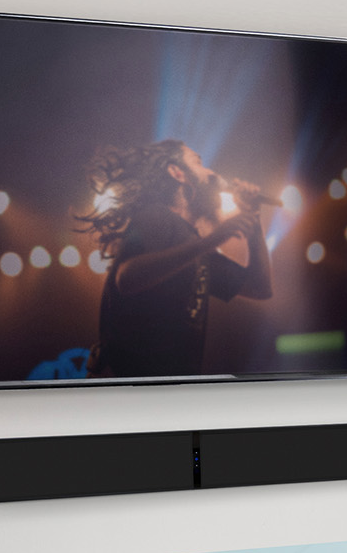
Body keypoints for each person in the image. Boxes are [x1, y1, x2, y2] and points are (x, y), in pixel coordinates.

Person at [78, 139, 273, 378]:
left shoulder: (195, 246)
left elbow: (259, 288)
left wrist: (252, 216)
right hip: (128, 393)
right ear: (177, 173)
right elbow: (127, 277)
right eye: (198, 162)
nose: (211, 172)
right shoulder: (156, 216)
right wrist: (212, 241)